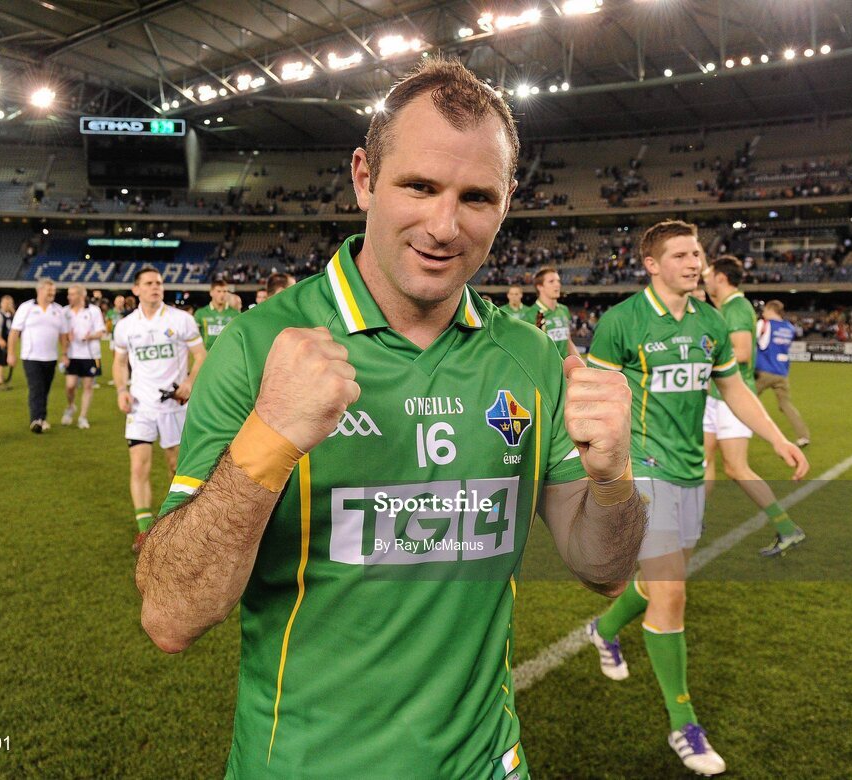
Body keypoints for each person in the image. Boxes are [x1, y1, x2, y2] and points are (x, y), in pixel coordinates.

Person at [135, 58, 645, 778]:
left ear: (505, 205)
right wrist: (270, 436)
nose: (443, 225)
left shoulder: (529, 358)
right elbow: (170, 616)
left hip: (486, 764)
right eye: (419, 186)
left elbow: (605, 568)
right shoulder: (259, 348)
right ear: (364, 178)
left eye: (476, 197)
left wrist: (614, 477)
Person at [583, 220, 808, 776]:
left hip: (688, 471)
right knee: (673, 594)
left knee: (662, 582)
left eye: (698, 252)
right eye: (681, 254)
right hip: (644, 472)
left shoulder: (709, 322)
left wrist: (776, 437)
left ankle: (605, 630)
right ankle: (684, 725)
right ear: (651, 265)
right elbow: (594, 397)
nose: (694, 262)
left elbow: (731, 387)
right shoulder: (622, 323)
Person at [703, 258, 807, 557]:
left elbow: (743, 352)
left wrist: (702, 352)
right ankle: (694, 520)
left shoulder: (736, 307)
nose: (704, 279)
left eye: (709, 275)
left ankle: (787, 528)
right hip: (715, 396)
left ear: (721, 278)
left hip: (732, 399)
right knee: (703, 459)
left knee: (736, 468)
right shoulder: (727, 304)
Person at [113, 267, 206, 553]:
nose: (156, 287)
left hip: (173, 406)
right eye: (149, 283)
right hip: (141, 406)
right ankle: (144, 532)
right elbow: (119, 362)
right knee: (139, 465)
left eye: (159, 283)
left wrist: (190, 382)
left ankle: (178, 525)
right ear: (136, 289)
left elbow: (201, 355)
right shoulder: (126, 326)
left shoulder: (181, 319)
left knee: (176, 467)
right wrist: (121, 390)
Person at [8, 279, 69, 433]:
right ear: (40, 291)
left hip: (51, 357)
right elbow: (14, 332)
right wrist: (11, 353)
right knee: (36, 388)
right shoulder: (26, 308)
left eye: (53, 292)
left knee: (45, 389)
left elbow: (63, 335)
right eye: (49, 291)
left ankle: (42, 417)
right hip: (31, 356)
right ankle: (36, 419)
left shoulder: (58, 310)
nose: (52, 294)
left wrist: (64, 354)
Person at [756, 300, 810, 448]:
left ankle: (733, 431)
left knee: (743, 400)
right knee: (785, 404)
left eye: (765, 310)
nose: (763, 313)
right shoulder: (789, 328)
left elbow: (753, 341)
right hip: (782, 372)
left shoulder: (764, 324)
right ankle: (803, 436)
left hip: (764, 371)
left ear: (771, 310)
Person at [61, 284, 106, 429]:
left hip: (91, 355)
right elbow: (61, 334)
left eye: (72, 294)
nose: (69, 297)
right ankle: (71, 406)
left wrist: (90, 336)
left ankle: (83, 416)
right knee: (70, 386)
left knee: (88, 386)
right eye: (69, 294)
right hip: (72, 354)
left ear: (81, 296)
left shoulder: (93, 310)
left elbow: (101, 331)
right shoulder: (65, 312)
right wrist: (67, 338)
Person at [528, 266, 579, 357]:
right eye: (551, 281)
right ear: (540, 287)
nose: (557, 285)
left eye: (558, 281)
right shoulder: (532, 315)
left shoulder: (564, 310)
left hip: (565, 369)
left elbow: (568, 341)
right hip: (546, 370)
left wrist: (581, 365)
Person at [193, 279, 241, 351]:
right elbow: (194, 337)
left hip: (228, 355)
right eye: (218, 291)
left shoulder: (235, 314)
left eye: (225, 291)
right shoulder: (200, 313)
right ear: (211, 293)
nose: (222, 294)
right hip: (207, 355)